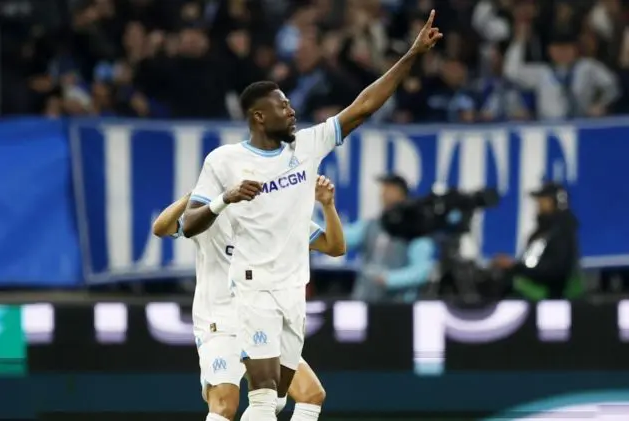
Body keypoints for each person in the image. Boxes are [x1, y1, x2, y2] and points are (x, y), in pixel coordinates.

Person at [182, 10, 442, 421]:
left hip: (293, 289)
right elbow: (185, 224)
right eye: (282, 107)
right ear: (258, 117)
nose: (292, 112)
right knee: (264, 395)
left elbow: (363, 107)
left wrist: (411, 55)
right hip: (253, 287)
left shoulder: (305, 147)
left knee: (289, 397)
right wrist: (224, 200)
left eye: (290, 104)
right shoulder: (225, 161)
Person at [152, 175, 344, 421]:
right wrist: (197, 193)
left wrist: (327, 205)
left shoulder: (278, 220)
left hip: (262, 320)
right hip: (220, 323)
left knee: (311, 394)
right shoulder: (210, 215)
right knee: (224, 406)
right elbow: (161, 228)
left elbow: (335, 247)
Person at [344, 174, 435, 303]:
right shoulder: (372, 225)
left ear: (401, 193)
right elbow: (342, 238)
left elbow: (422, 270)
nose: (384, 194)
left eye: (389, 189)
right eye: (383, 189)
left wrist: (389, 279)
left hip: (399, 306)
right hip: (365, 300)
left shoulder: (416, 227)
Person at [491, 182, 583, 300]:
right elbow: (531, 263)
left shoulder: (562, 232)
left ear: (554, 202)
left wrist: (515, 267)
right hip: (535, 289)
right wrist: (513, 267)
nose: (538, 204)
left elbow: (556, 270)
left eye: (543, 199)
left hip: (551, 296)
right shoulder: (542, 232)